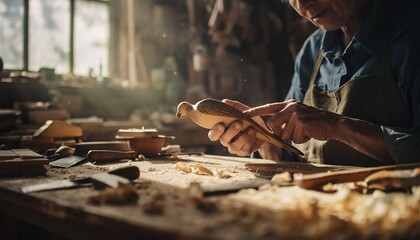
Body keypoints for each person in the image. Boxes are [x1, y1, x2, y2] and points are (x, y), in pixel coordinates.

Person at [207, 0, 420, 167]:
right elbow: (292, 153)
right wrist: (266, 142)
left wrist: (338, 127)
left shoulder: (410, 34)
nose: (302, 5)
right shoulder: (312, 51)